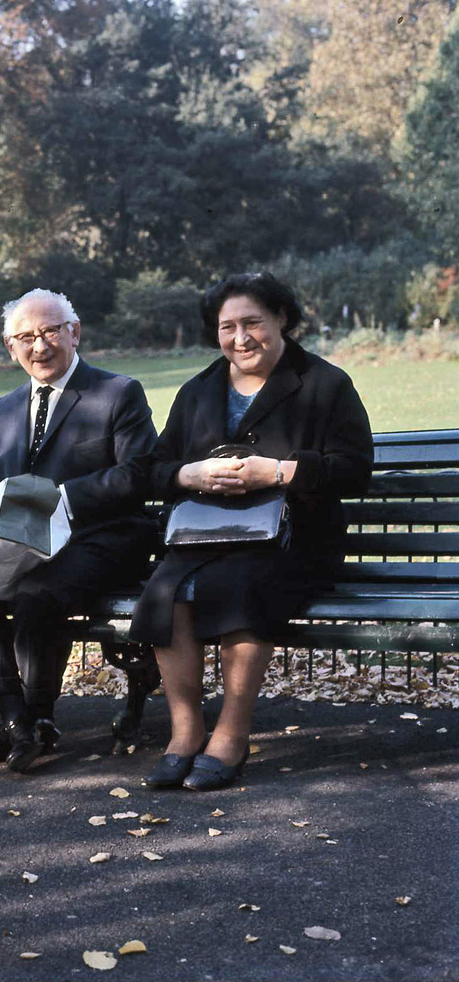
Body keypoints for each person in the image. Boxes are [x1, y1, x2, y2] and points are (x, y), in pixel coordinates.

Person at [130, 272, 374, 791]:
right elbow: (152, 468)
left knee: (244, 586)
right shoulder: (198, 391)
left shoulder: (326, 383)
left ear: (282, 319)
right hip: (205, 536)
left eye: (252, 323)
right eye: (227, 327)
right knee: (164, 590)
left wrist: (280, 472)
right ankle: (185, 732)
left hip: (294, 540)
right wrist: (186, 474)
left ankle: (232, 735)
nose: (240, 339)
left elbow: (355, 469)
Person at [0, 288, 158, 773]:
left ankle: (38, 715)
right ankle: (17, 720)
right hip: (20, 542)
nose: (38, 346)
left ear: (74, 332)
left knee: (38, 593)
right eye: (25, 337)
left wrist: (58, 500)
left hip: (100, 536)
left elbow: (138, 475)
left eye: (49, 332)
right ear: (9, 346)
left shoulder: (117, 392)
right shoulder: (5, 407)